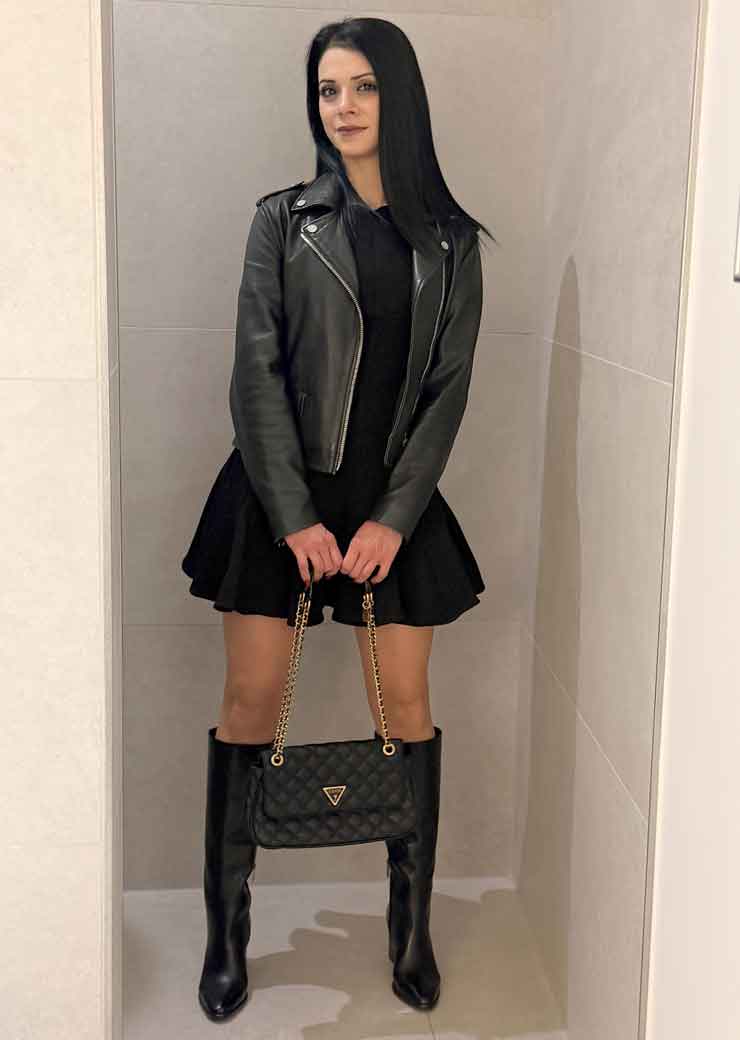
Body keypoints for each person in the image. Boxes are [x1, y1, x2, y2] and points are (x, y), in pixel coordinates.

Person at [181, 15, 497, 1024]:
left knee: (404, 709)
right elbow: (255, 375)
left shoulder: (450, 242)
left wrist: (395, 517)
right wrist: (292, 514)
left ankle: (410, 925)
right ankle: (227, 929)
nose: (344, 107)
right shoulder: (282, 221)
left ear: (398, 98)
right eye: (328, 89)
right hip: (279, 497)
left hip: (392, 508)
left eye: (363, 86)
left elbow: (446, 393)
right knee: (249, 700)